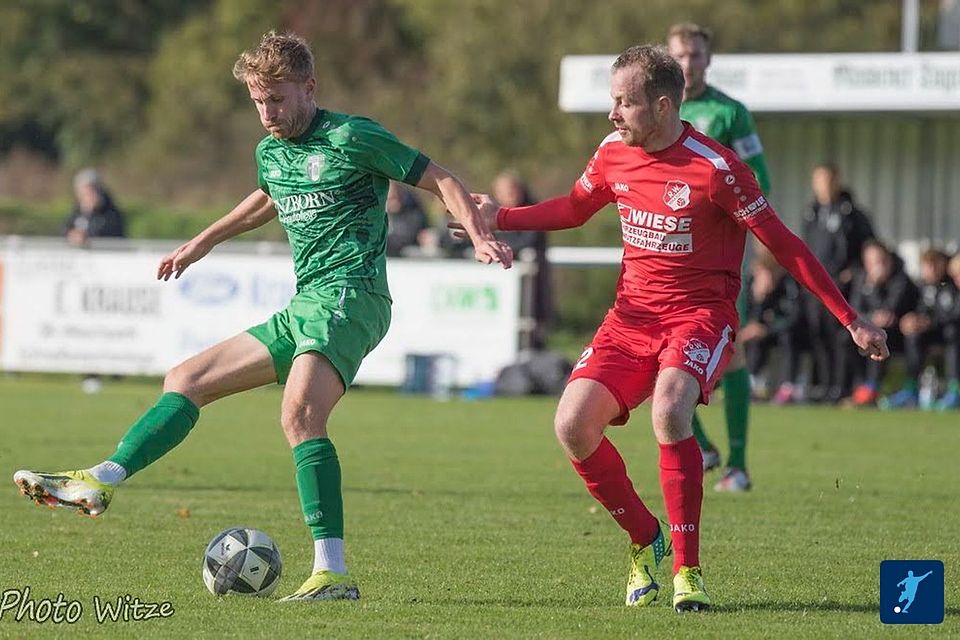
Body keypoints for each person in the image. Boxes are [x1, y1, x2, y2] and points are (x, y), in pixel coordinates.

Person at [13, 32, 512, 603]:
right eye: (257, 101)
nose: (267, 113)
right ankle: (102, 479)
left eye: (277, 99)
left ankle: (333, 573)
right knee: (186, 379)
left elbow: (441, 178)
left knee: (299, 413)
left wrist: (478, 235)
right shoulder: (271, 151)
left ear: (309, 87)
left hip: (354, 296)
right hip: (305, 306)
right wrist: (201, 242)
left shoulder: (354, 135)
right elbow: (267, 198)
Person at [452, 45, 887, 611]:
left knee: (669, 409)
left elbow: (785, 246)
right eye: (612, 101)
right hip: (630, 318)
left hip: (700, 317)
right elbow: (574, 209)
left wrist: (850, 319)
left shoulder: (719, 170)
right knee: (572, 425)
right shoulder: (613, 152)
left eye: (623, 103)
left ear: (661, 106)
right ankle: (644, 538)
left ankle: (688, 571)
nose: (612, 115)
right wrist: (498, 217)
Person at [667, 23, 772, 492]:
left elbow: (759, 179)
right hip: (665, 250)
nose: (689, 63)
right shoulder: (657, 109)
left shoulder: (730, 113)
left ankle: (738, 465)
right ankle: (705, 446)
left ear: (708, 60)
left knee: (731, 354)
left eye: (696, 55)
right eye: (681, 55)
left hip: (720, 253)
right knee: (654, 349)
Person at [801, 163, 876, 402]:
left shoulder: (852, 214)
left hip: (843, 288)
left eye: (828, 180)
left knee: (841, 337)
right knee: (818, 335)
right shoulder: (811, 213)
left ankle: (841, 387)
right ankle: (823, 385)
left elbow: (868, 248)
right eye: (819, 180)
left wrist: (853, 272)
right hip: (816, 288)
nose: (824, 185)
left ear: (837, 181)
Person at [881, 249, 960, 410]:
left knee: (953, 335)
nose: (930, 270)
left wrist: (929, 321)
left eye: (934, 265)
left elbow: (953, 315)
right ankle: (911, 388)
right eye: (926, 266)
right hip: (930, 333)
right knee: (912, 337)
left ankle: (954, 390)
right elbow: (915, 309)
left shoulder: (951, 285)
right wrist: (911, 320)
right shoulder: (921, 287)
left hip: (948, 333)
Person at [846, 241, 918, 406]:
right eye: (871, 262)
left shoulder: (900, 279)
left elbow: (890, 311)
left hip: (897, 333)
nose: (876, 266)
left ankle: (874, 386)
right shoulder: (862, 281)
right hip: (871, 328)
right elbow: (854, 310)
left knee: (877, 335)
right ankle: (856, 385)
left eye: (879, 261)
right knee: (844, 337)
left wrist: (874, 287)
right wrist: (871, 288)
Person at [491, 171, 552, 350]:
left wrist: (497, 244)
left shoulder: (534, 211)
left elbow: (528, 241)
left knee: (533, 336)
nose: (510, 195)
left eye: (512, 190)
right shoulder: (490, 215)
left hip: (532, 291)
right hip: (500, 294)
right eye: (505, 191)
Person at [739, 253, 803, 403]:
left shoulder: (788, 285)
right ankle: (752, 382)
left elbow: (792, 317)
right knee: (749, 339)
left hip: (781, 332)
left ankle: (788, 386)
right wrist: (759, 299)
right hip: (760, 332)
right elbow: (746, 316)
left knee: (789, 338)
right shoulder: (750, 286)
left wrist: (768, 329)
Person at [62, 168, 126, 247]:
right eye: (84, 192)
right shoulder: (77, 212)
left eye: (90, 191)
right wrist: (71, 234)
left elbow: (110, 233)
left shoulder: (112, 214)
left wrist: (86, 235)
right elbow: (64, 229)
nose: (87, 196)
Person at [385, 181, 430, 257]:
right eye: (391, 199)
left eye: (396, 197)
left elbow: (409, 235)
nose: (394, 202)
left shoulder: (414, 212)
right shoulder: (378, 216)